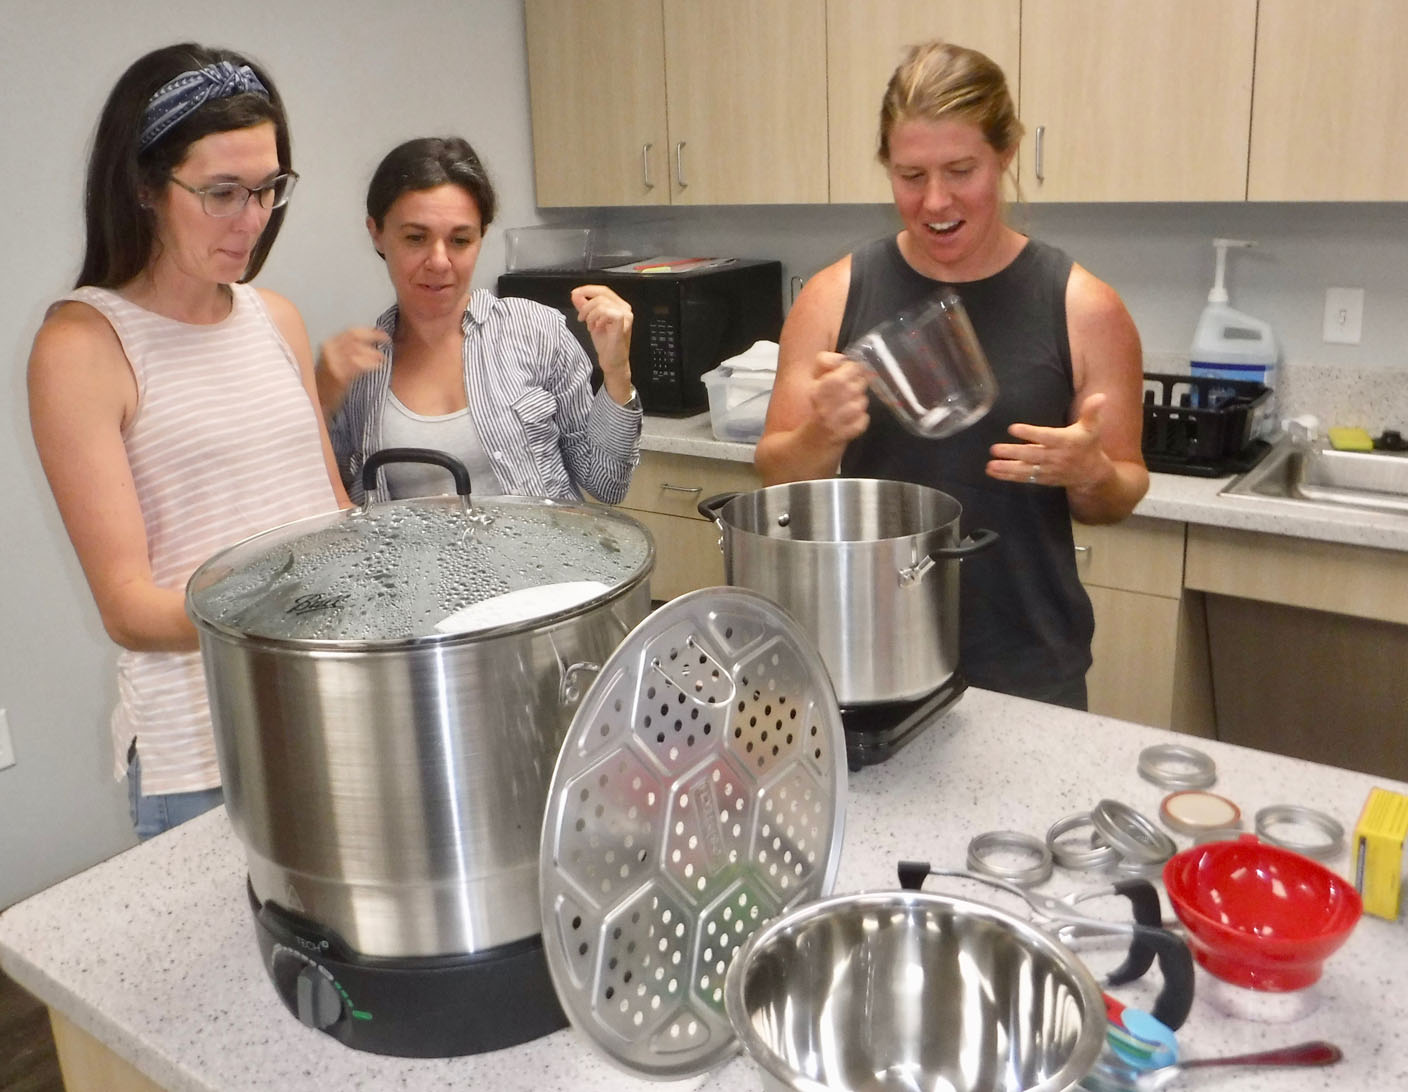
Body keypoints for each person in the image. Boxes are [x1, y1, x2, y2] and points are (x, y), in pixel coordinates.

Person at [755, 40, 1148, 710]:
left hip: (1027, 661)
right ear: (886, 167)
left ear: (1007, 154)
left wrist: (1092, 475)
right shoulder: (833, 295)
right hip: (867, 656)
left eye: (961, 169)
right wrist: (823, 433)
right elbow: (777, 474)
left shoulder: (1085, 307)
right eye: (910, 176)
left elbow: (1120, 490)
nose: (935, 200)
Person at [27, 43, 348, 839]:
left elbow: (331, 512)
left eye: (269, 188)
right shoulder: (83, 346)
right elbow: (130, 608)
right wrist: (289, 609)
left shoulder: (275, 318)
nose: (252, 218)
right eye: (221, 192)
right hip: (205, 755)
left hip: (334, 718)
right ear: (142, 186)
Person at [318, 137, 641, 504]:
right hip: (411, 562)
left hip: (540, 557)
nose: (439, 261)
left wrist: (618, 373)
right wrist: (322, 398)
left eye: (460, 240)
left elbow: (607, 484)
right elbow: (329, 506)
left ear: (481, 236)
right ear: (377, 233)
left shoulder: (536, 332)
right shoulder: (357, 371)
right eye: (415, 237)